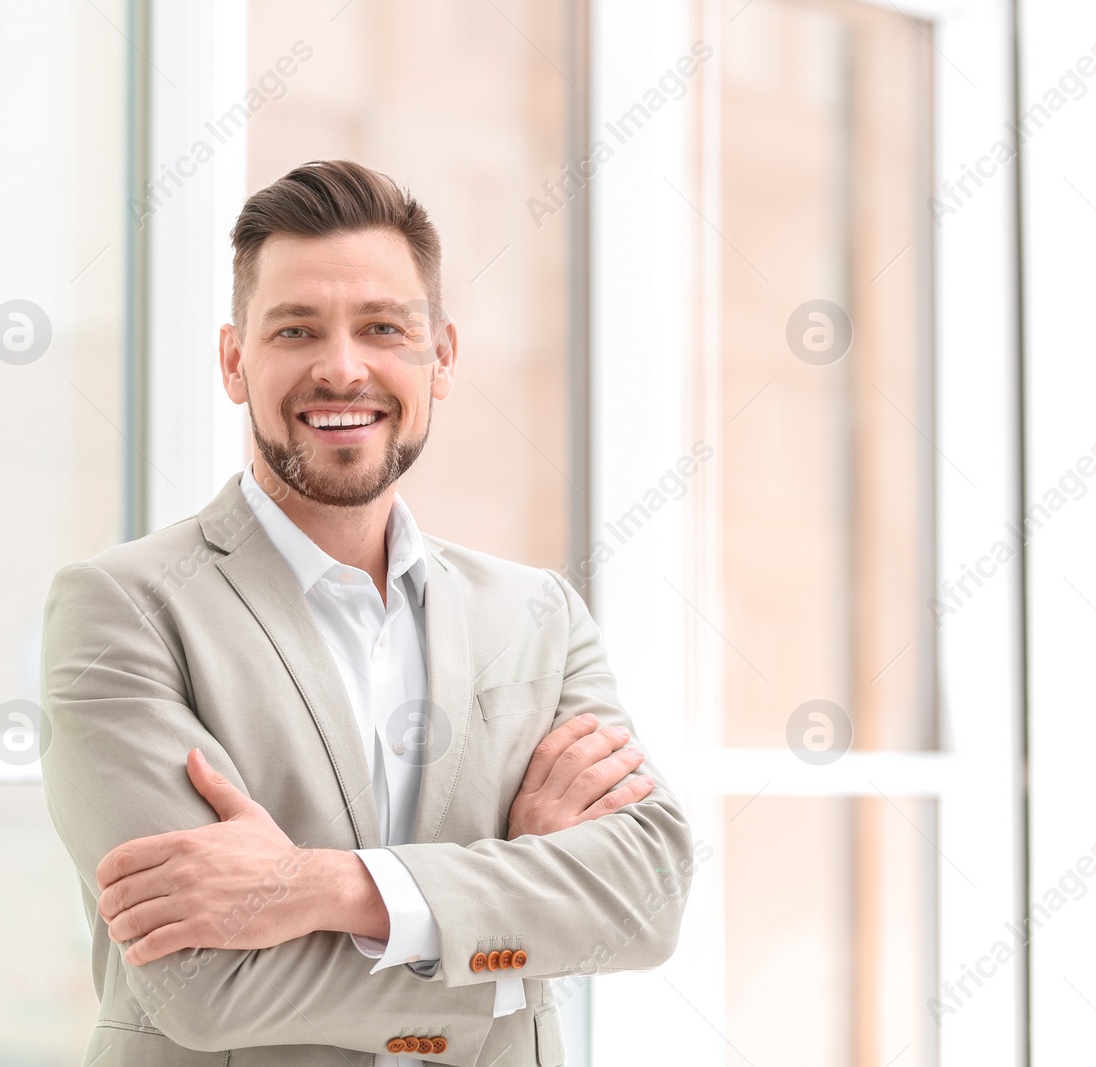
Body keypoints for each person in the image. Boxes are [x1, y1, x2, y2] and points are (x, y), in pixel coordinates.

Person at [40, 160, 692, 1067]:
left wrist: (317, 886)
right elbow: (203, 985)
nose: (342, 367)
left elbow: (647, 896)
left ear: (443, 357)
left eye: (383, 327)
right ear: (235, 361)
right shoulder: (123, 610)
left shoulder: (537, 615)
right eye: (296, 329)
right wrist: (511, 935)